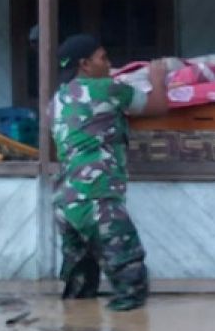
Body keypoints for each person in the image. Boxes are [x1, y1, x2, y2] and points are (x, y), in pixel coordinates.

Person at [52, 34, 169, 310]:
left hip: (65, 201)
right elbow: (158, 107)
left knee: (79, 291)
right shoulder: (107, 89)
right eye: (103, 58)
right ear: (85, 64)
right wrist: (157, 77)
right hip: (98, 198)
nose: (110, 63)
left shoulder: (57, 99)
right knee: (131, 285)